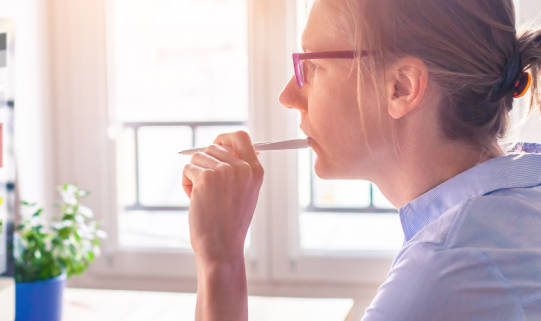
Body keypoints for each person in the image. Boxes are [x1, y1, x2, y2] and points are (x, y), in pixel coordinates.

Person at [181, 0, 541, 320]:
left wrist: (220, 259)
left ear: (401, 87)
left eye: (313, 66)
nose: (288, 95)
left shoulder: (445, 271)